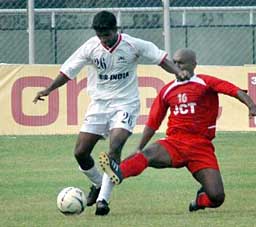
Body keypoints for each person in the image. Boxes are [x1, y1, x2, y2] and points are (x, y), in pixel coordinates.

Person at [33, 11, 188, 216]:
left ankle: (103, 201)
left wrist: (178, 73)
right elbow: (68, 71)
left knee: (115, 145)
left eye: (106, 35)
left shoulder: (133, 44)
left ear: (116, 30)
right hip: (99, 106)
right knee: (80, 153)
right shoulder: (91, 47)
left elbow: (161, 58)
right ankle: (98, 184)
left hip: (125, 104)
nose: (103, 39)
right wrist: (48, 89)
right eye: (100, 36)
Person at [99, 48, 256, 213]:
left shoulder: (205, 82)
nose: (177, 66)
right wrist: (138, 147)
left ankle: (199, 200)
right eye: (175, 63)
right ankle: (118, 172)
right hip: (174, 143)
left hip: (201, 147)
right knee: (147, 154)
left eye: (182, 63)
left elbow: (234, 90)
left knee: (217, 197)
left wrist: (252, 106)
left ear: (194, 64)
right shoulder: (167, 90)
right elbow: (153, 123)